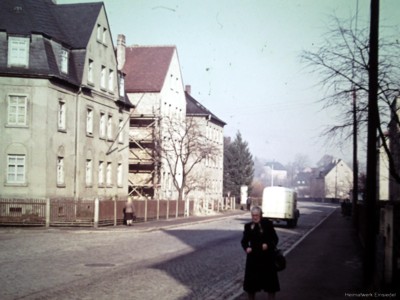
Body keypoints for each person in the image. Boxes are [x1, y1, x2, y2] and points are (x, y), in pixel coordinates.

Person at [241, 206, 280, 300]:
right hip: (253, 259)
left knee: (270, 285)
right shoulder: (248, 226)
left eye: (257, 215)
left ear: (260, 215)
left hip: (267, 258)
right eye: (253, 215)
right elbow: (244, 241)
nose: (255, 217)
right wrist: (246, 248)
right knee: (251, 286)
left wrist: (268, 245)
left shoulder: (267, 224)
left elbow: (275, 239)